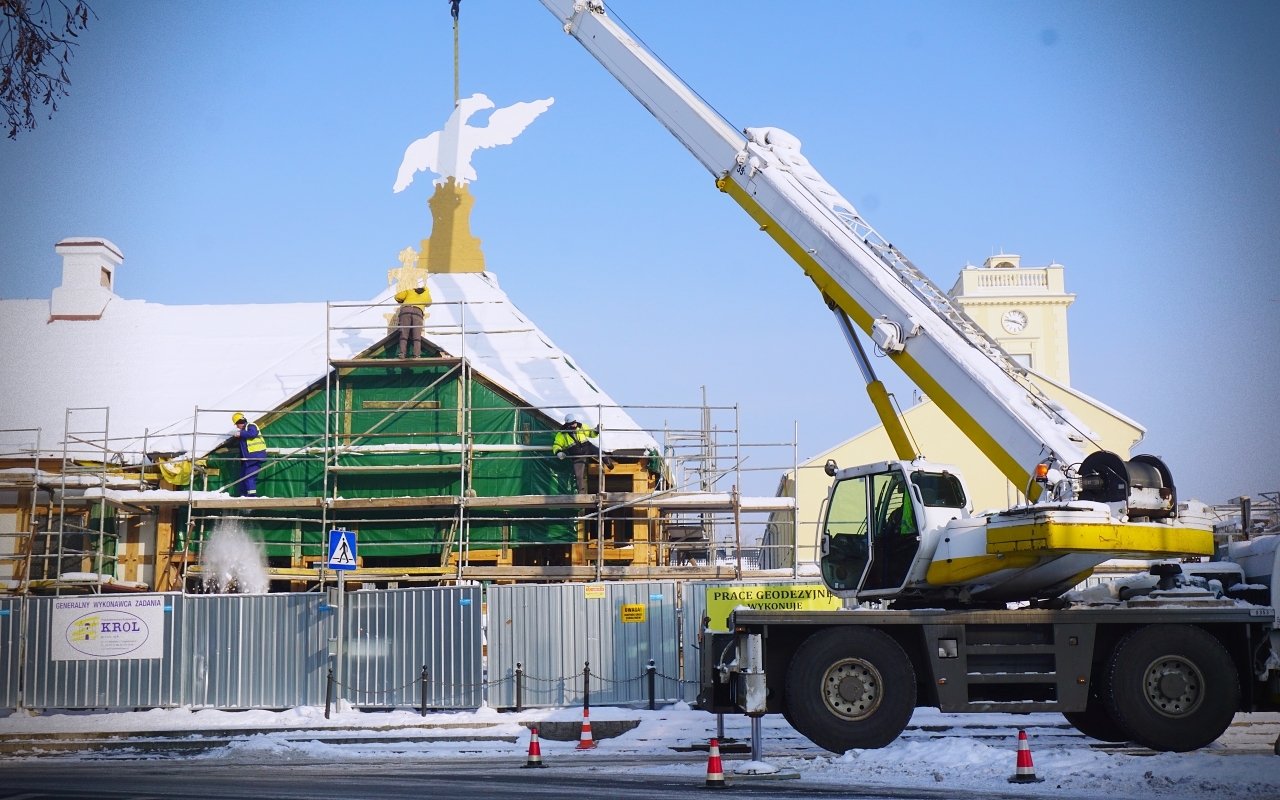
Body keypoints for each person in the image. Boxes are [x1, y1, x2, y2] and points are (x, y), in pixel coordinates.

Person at [552, 414, 615, 494]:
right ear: (568, 425)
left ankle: (609, 465)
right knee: (578, 475)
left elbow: (591, 433)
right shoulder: (561, 434)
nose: (575, 424)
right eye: (572, 424)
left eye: (575, 422)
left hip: (587, 447)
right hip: (576, 455)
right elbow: (556, 445)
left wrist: (597, 430)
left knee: (600, 453)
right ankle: (581, 493)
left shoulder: (581, 426)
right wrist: (558, 452)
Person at [231, 412, 267, 497]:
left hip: (255, 457)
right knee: (243, 477)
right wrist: (241, 458)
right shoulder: (243, 431)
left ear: (240, 422)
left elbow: (253, 434)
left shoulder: (251, 425)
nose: (237, 426)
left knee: (249, 477)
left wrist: (241, 434)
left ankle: (252, 495)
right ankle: (243, 495)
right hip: (248, 459)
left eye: (237, 424)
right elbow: (243, 448)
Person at [394, 278, 431, 359]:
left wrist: (403, 300)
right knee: (417, 335)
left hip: (406, 310)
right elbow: (429, 303)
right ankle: (416, 355)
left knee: (404, 333)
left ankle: (402, 354)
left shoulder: (410, 291)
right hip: (417, 312)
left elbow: (397, 297)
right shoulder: (426, 294)